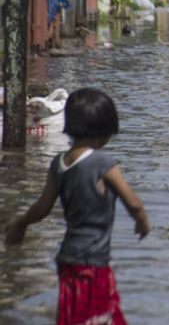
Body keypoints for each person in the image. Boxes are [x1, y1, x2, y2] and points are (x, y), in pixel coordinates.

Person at [4, 88, 150, 325]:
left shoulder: (59, 163)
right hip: (93, 262)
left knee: (73, 315)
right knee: (101, 316)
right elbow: (132, 201)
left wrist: (20, 224)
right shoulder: (103, 162)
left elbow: (42, 207)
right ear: (105, 130)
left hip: (67, 259)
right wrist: (142, 222)